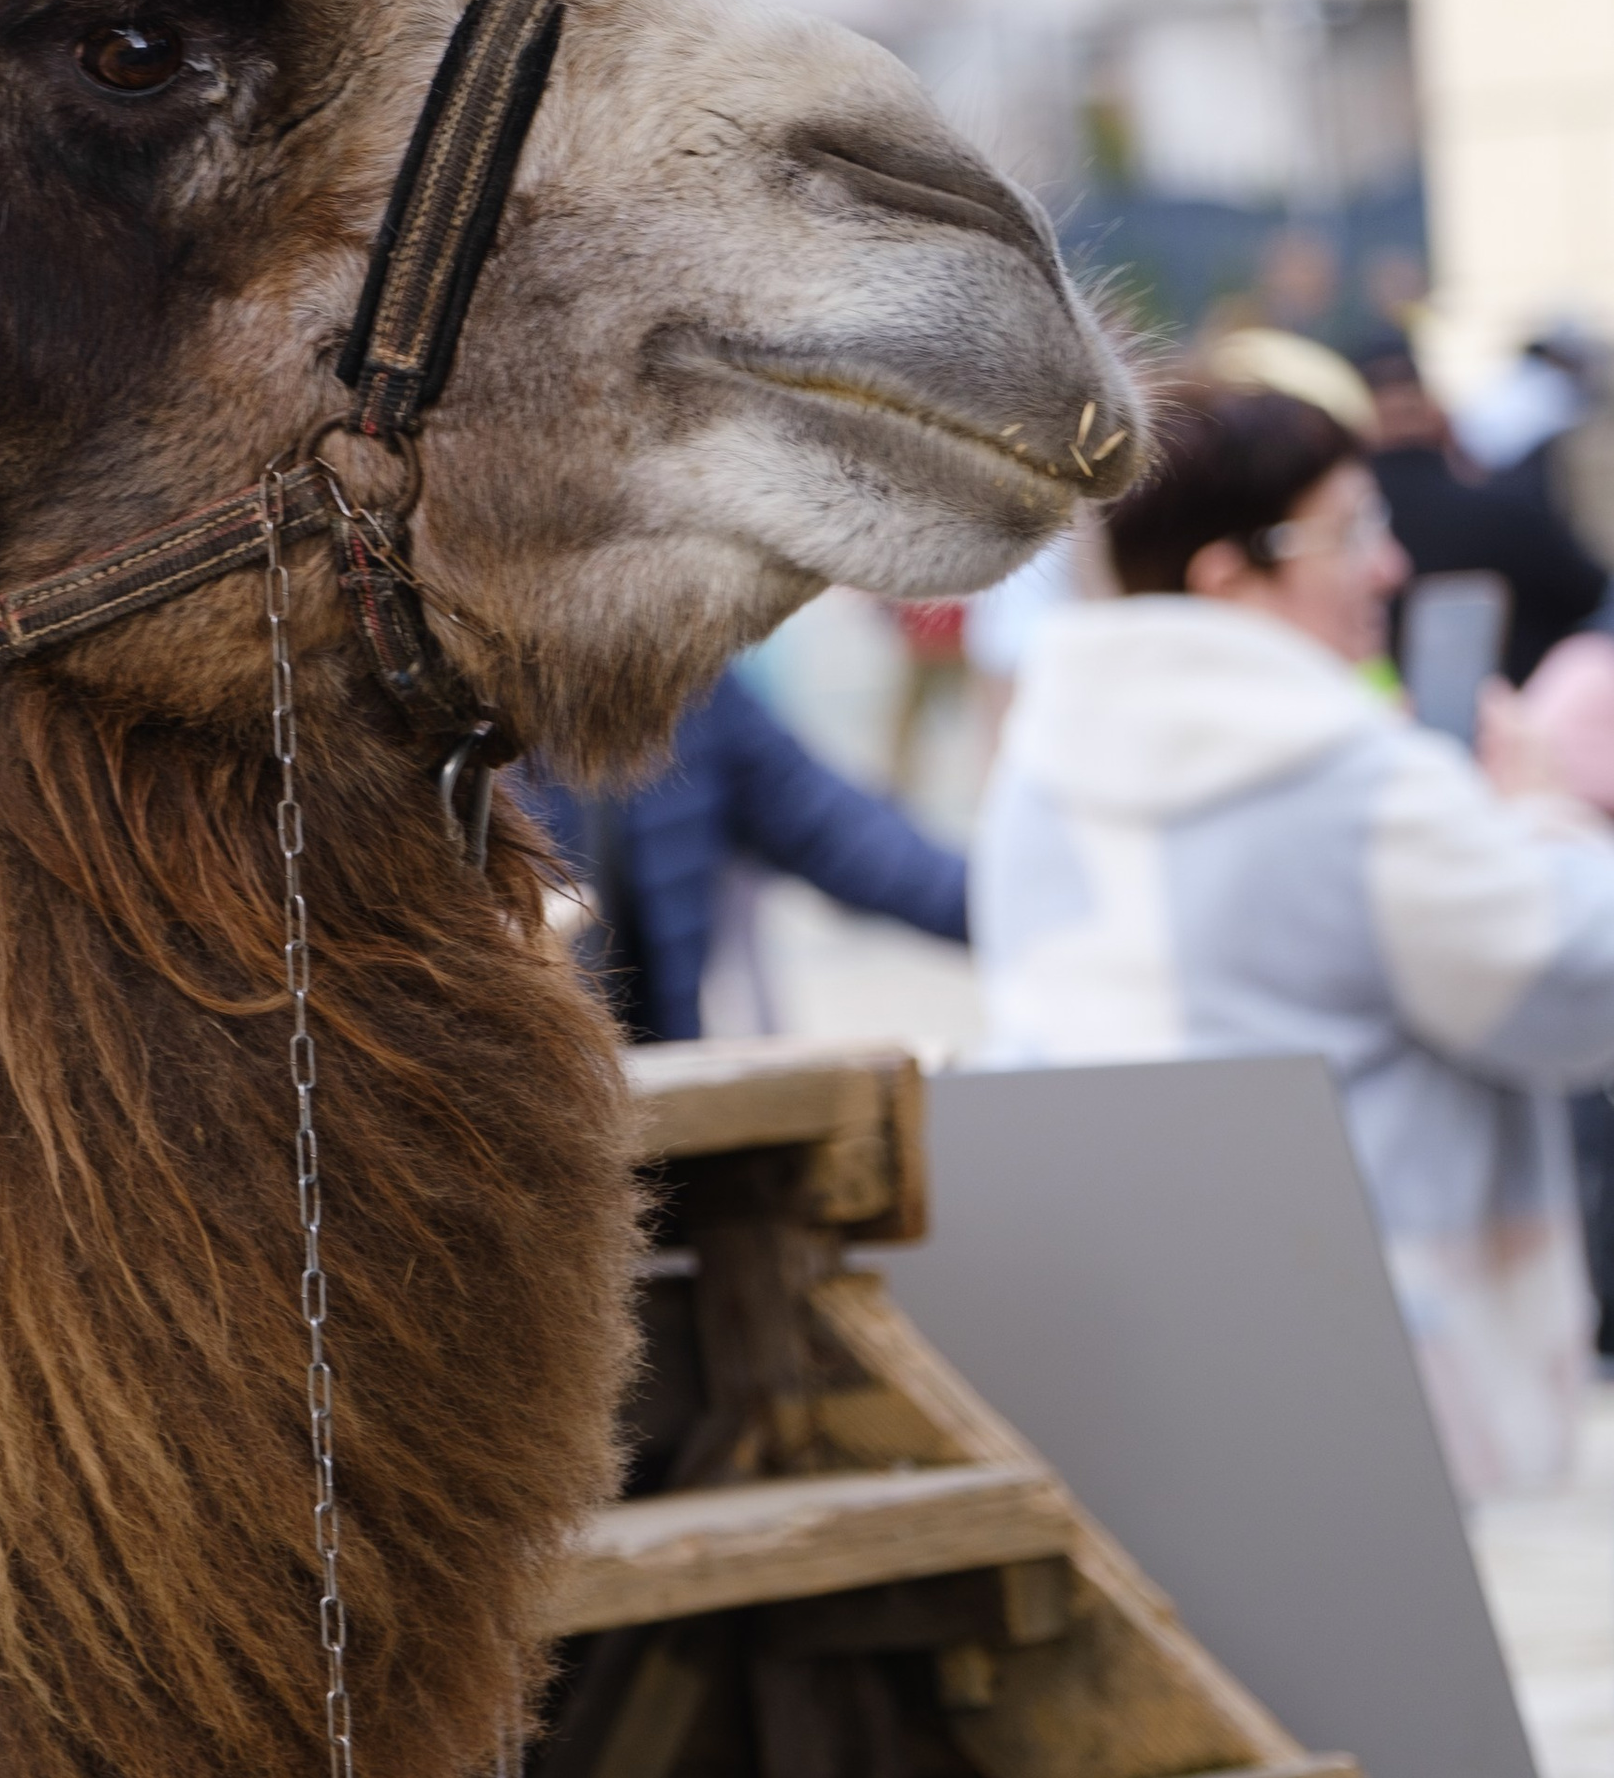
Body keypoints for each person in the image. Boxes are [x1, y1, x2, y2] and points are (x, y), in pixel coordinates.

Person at [974, 381, 1614, 1499]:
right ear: (1230, 574)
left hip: (1104, 1308)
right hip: (1361, 1335)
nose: (1387, 567)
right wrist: (1543, 816)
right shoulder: (1348, 780)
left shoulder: (1041, 757)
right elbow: (1567, 983)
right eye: (1352, 531)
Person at [527, 662, 968, 1047]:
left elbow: (841, 832)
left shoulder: (688, 685)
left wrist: (1015, 898)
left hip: (662, 1088)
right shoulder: (471, 700)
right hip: (518, 1100)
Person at [1354, 335, 1604, 687]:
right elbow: (1586, 592)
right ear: (1431, 409)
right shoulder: (1505, 511)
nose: (1392, 570)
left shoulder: (1342, 522)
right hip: (1515, 703)